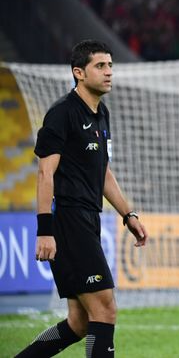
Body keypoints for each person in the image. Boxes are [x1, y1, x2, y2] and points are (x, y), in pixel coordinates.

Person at [16, 40, 147, 358]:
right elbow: (45, 174)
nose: (109, 72)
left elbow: (102, 172)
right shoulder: (62, 114)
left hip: (88, 220)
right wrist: (44, 230)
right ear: (79, 72)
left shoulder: (102, 114)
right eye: (100, 66)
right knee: (105, 309)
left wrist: (128, 215)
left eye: (110, 65)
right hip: (67, 221)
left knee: (78, 322)